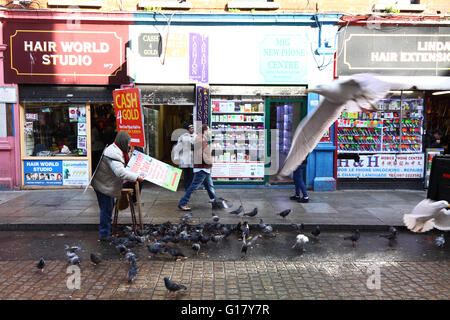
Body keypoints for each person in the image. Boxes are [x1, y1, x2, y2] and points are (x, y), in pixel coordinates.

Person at [91, 131, 145, 240]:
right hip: (103, 185)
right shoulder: (114, 153)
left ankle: (106, 232)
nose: (129, 145)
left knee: (108, 208)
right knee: (106, 210)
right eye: (128, 143)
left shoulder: (116, 149)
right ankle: (104, 235)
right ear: (123, 142)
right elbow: (120, 172)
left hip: (105, 183)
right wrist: (136, 177)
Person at [178, 124, 217, 211]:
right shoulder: (200, 140)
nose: (210, 131)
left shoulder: (200, 138)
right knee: (193, 186)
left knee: (209, 185)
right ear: (205, 131)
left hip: (204, 168)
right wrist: (209, 159)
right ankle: (183, 203)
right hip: (202, 168)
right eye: (208, 130)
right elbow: (200, 155)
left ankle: (214, 200)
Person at [173, 122, 195, 190]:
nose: (193, 129)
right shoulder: (182, 137)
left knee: (192, 173)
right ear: (187, 129)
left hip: (192, 158)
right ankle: (186, 186)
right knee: (186, 173)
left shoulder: (195, 136)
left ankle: (190, 187)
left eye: (193, 128)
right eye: (191, 128)